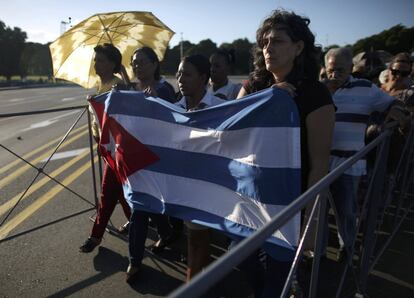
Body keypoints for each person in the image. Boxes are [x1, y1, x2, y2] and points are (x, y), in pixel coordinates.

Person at [237, 10, 335, 297]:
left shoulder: (316, 94)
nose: (268, 48)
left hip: (290, 204)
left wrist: (311, 223)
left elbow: (319, 164)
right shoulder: (252, 86)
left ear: (298, 47)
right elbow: (230, 134)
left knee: (275, 281)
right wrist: (269, 100)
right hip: (251, 199)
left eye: (277, 41)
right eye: (265, 42)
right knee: (243, 261)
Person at [323, 47, 405, 262]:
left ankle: (347, 249)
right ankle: (318, 250)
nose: (335, 75)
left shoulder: (366, 88)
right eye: (331, 70)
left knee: (346, 211)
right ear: (325, 68)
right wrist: (327, 92)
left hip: (350, 162)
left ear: (351, 68)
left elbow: (393, 102)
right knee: (318, 213)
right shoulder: (318, 90)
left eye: (341, 70)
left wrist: (395, 109)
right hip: (321, 161)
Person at [125, 47, 180, 283]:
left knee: (141, 209)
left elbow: (174, 121)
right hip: (136, 158)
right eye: (134, 63)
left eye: (142, 62)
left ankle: (134, 261)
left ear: (155, 64)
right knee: (146, 205)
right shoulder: (130, 90)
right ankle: (166, 234)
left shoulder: (166, 90)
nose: (137, 67)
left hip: (159, 160)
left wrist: (157, 101)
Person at [80, 43, 131, 252]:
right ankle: (140, 222)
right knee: (119, 192)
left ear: (112, 64)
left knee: (107, 192)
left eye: (101, 60)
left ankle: (96, 235)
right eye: (95, 59)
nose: (96, 63)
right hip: (104, 148)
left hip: (116, 150)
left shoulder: (116, 87)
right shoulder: (102, 86)